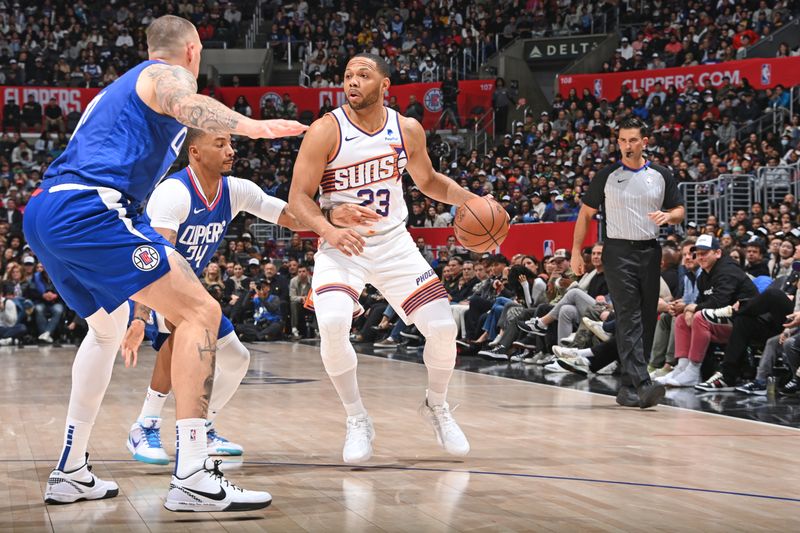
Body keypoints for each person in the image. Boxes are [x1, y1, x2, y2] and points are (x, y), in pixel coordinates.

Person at [23, 15, 307, 512]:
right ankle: (195, 473)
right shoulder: (161, 74)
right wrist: (253, 126)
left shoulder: (118, 92)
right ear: (193, 51)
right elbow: (186, 100)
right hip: (92, 208)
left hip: (48, 211)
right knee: (201, 313)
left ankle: (70, 471)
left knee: (105, 332)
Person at [119, 128, 372, 466]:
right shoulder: (173, 193)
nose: (231, 151)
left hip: (187, 288)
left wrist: (330, 217)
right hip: (146, 281)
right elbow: (155, 261)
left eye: (231, 143)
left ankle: (203, 427)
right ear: (194, 152)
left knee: (237, 359)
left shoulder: (236, 190)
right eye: (220, 144)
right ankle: (145, 424)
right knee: (177, 328)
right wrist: (138, 317)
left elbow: (292, 218)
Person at [288, 53, 482, 464]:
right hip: (343, 246)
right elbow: (298, 199)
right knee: (335, 323)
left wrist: (472, 199)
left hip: (395, 244)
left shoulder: (406, 128)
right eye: (347, 76)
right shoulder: (326, 130)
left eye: (363, 75)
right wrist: (329, 229)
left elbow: (427, 181)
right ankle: (357, 417)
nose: (353, 82)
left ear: (385, 85)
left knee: (444, 330)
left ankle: (437, 405)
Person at [571, 116, 685, 409]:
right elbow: (585, 215)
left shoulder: (660, 175)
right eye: (622, 140)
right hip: (617, 251)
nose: (626, 145)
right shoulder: (607, 175)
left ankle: (627, 386)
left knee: (647, 317)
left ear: (644, 142)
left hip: (649, 250)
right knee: (630, 315)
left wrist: (668, 217)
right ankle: (643, 383)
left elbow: (679, 210)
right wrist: (575, 251)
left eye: (632, 140)